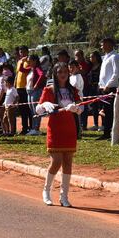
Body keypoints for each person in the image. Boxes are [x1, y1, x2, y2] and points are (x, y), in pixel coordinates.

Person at [36, 62, 83, 207]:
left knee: (68, 162)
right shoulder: (49, 90)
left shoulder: (72, 90)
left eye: (65, 71)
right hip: (55, 129)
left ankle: (64, 196)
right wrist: (44, 105)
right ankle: (46, 191)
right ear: (55, 74)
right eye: (59, 72)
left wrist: (76, 108)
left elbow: (81, 107)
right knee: (56, 161)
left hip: (69, 128)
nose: (62, 74)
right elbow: (38, 109)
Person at [97, 38, 119, 140]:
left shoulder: (115, 57)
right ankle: (106, 132)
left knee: (110, 112)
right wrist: (101, 84)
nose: (102, 47)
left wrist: (108, 85)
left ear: (109, 44)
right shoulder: (106, 57)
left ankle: (110, 132)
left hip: (110, 88)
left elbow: (116, 74)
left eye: (103, 44)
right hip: (103, 88)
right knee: (104, 111)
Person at [27, 54, 47, 135]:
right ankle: (33, 128)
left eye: (30, 60)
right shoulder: (31, 69)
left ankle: (36, 128)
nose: (28, 62)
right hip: (29, 91)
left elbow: (42, 75)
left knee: (36, 111)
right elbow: (21, 69)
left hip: (36, 91)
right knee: (32, 111)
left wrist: (36, 85)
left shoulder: (37, 68)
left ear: (35, 61)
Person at [15, 46, 32, 135]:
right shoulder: (19, 61)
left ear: (27, 52)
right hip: (19, 87)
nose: (22, 54)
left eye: (23, 52)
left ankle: (31, 127)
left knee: (28, 109)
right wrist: (15, 85)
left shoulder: (29, 61)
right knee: (22, 109)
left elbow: (24, 71)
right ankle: (24, 128)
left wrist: (23, 61)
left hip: (26, 87)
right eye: (20, 52)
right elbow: (18, 74)